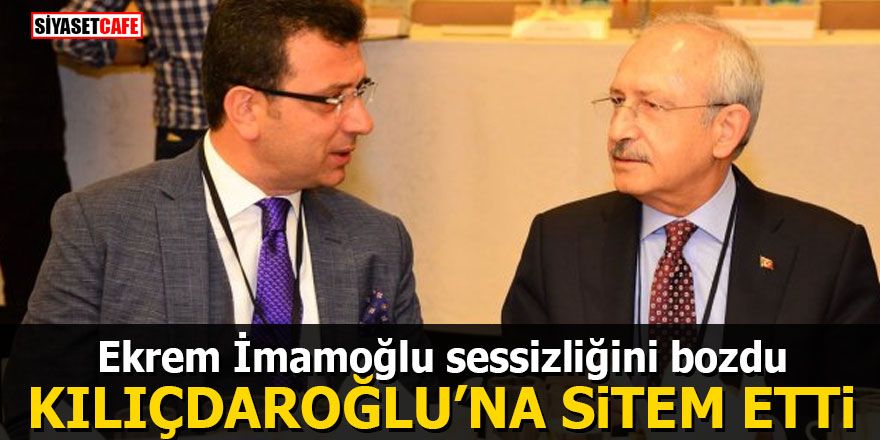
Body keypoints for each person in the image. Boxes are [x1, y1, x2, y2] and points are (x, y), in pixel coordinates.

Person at [25, 0, 422, 325]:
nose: (364, 123)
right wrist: (146, 39)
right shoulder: (99, 225)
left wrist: (154, 42)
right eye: (334, 99)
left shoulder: (379, 239)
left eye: (359, 92)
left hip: (225, 126)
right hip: (192, 143)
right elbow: (60, 27)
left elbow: (66, 30)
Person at [502, 14, 880, 325]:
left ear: (726, 130)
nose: (618, 130)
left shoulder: (826, 256)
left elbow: (856, 393)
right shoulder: (559, 244)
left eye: (651, 106)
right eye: (618, 101)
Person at [54, 0, 215, 159]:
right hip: (212, 122)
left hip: (183, 126)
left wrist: (149, 40)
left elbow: (64, 31)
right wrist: (138, 29)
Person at [0, 1, 73, 324]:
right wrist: (145, 32)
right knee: (36, 281)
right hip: (26, 142)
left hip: (26, 140)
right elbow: (66, 25)